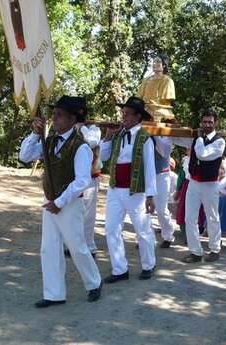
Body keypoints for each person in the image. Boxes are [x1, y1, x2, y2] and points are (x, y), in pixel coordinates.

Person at [19, 96, 102, 307]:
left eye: (59, 115)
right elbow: (25, 156)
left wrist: (61, 201)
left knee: (77, 246)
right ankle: (54, 293)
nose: (54, 119)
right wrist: (34, 135)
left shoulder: (80, 147)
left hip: (69, 204)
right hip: (50, 202)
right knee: (49, 247)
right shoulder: (50, 141)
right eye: (53, 114)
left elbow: (82, 181)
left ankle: (94, 283)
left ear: (72, 118)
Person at [100, 96, 157, 283]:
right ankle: (119, 269)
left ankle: (149, 265)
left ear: (137, 116)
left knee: (142, 229)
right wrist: (107, 138)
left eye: (127, 113)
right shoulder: (117, 135)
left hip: (136, 192)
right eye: (122, 113)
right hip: (115, 189)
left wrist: (150, 195)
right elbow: (104, 157)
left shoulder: (144, 138)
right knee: (111, 229)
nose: (123, 116)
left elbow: (149, 167)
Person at [181, 109, 226, 263]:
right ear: (201, 122)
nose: (207, 125)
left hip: (210, 184)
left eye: (210, 122)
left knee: (212, 217)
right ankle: (195, 252)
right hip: (194, 182)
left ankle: (215, 249)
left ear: (216, 123)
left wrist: (199, 139)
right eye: (204, 122)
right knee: (190, 218)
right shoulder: (196, 139)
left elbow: (203, 154)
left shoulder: (219, 141)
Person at [64, 124, 102, 258]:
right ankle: (72, 245)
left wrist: (82, 128)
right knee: (73, 212)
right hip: (73, 176)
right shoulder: (69, 129)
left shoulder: (94, 129)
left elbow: (92, 142)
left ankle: (90, 247)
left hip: (91, 178)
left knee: (88, 214)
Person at [174, 149, 206, 242]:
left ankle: (195, 233)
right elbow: (181, 176)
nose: (188, 151)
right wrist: (177, 190)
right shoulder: (186, 160)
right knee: (185, 209)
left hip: (198, 185)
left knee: (197, 210)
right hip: (187, 185)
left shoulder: (201, 159)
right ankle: (186, 234)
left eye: (190, 149)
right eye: (187, 149)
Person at [137, 54, 175, 122]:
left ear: (164, 65)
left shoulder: (168, 80)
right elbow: (139, 98)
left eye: (158, 61)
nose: (155, 64)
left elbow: (164, 101)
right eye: (154, 62)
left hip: (158, 109)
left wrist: (152, 104)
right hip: (144, 108)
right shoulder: (145, 80)